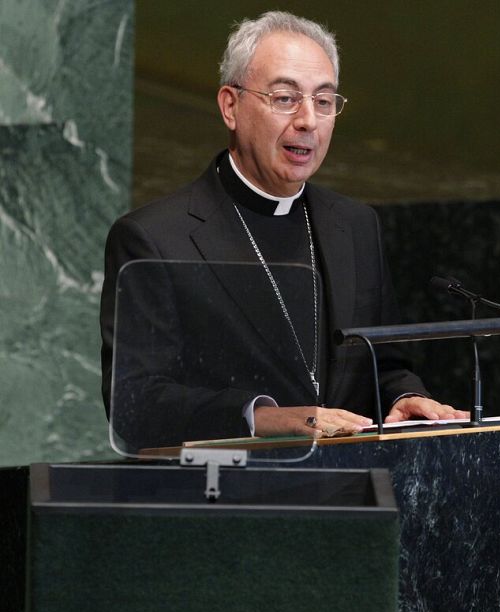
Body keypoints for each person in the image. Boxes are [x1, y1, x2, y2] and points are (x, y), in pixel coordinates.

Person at [100, 10, 463, 446]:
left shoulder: (355, 224)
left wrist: (405, 395)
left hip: (349, 494)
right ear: (230, 106)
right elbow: (136, 404)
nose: (308, 120)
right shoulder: (153, 238)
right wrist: (264, 418)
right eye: (286, 98)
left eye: (324, 101)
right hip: (230, 497)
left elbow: (382, 362)